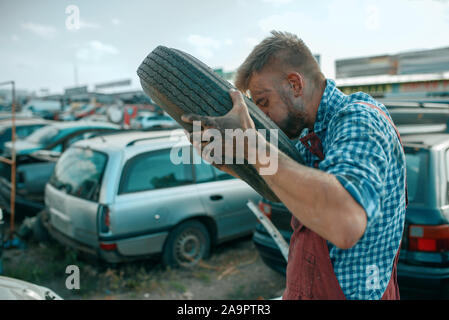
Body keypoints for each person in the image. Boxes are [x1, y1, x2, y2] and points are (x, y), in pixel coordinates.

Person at [181, 31, 406, 300]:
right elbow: (282, 187)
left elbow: (344, 223)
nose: (262, 116)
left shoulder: (360, 120)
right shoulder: (310, 135)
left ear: (295, 85)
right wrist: (228, 162)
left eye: (264, 102)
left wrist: (251, 143)